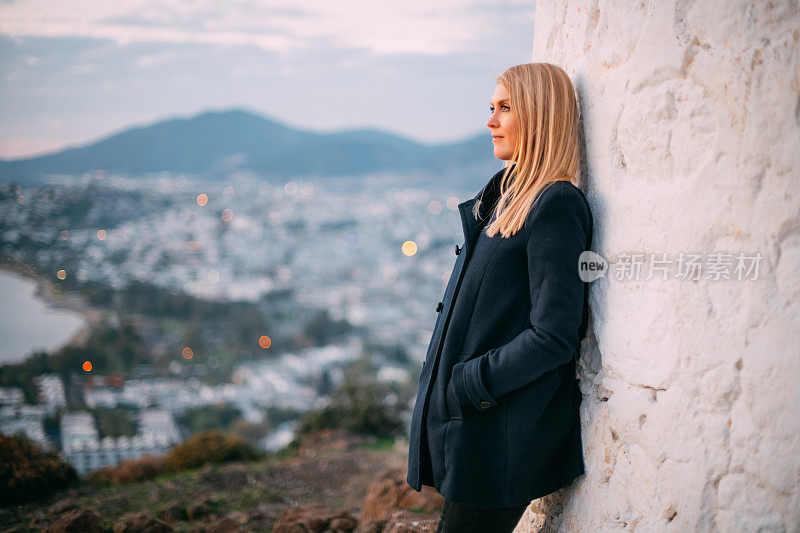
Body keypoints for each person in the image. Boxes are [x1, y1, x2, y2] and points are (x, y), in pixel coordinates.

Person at [406, 62, 594, 533]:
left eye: (505, 108)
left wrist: (471, 382)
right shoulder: (506, 196)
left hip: (499, 435)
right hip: (479, 429)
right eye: (491, 107)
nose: (490, 121)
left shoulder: (555, 205)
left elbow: (554, 334)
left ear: (539, 116)